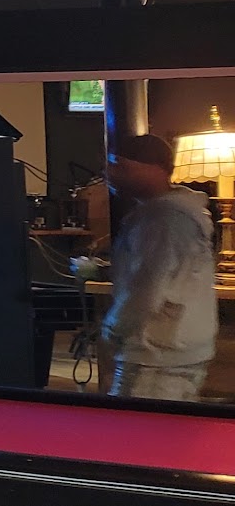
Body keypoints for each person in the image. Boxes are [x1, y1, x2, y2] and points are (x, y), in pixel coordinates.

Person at [100, 134, 216, 401]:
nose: (110, 173)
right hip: (179, 349)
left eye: (120, 165)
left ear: (155, 168)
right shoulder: (182, 212)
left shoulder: (162, 218)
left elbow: (147, 289)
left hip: (155, 356)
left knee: (134, 426)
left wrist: (111, 331)